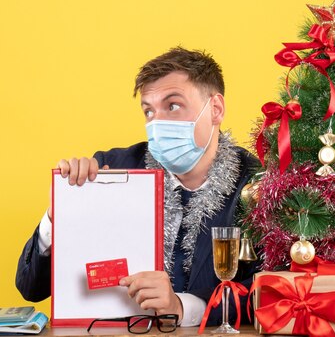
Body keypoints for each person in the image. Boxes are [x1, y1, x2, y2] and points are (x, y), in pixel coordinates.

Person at [15, 47, 261, 326]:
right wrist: (60, 211)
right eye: (148, 111)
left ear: (215, 109)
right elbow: (30, 287)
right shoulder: (111, 169)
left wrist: (181, 306)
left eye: (172, 105)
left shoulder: (257, 185)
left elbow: (274, 293)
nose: (157, 123)